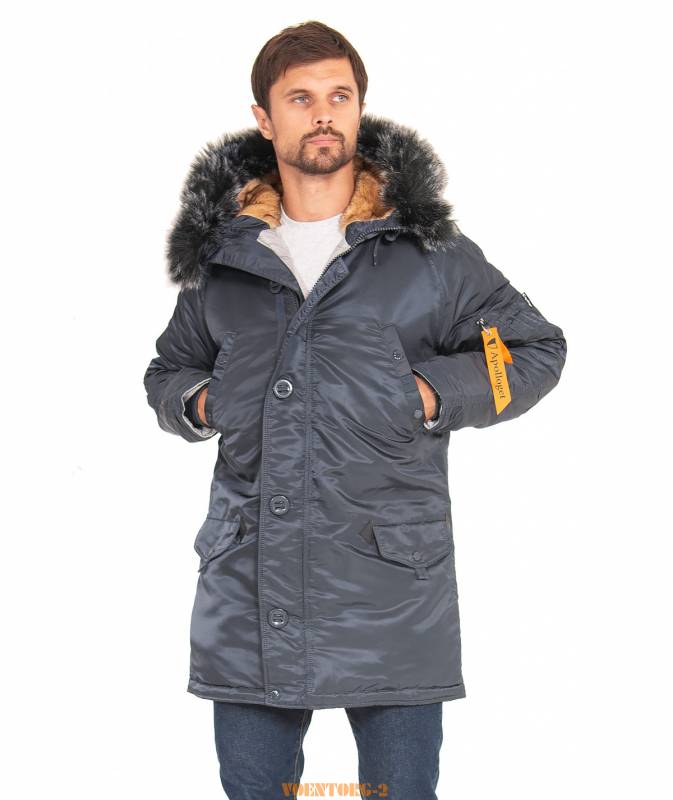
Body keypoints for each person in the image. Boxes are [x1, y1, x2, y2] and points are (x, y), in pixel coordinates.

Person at [143, 20, 567, 800]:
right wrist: (199, 402)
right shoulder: (226, 261)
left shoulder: (429, 256)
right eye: (300, 98)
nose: (323, 114)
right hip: (251, 589)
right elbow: (170, 371)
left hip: (392, 586)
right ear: (264, 119)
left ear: (360, 109)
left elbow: (530, 349)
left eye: (339, 96)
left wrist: (430, 392)